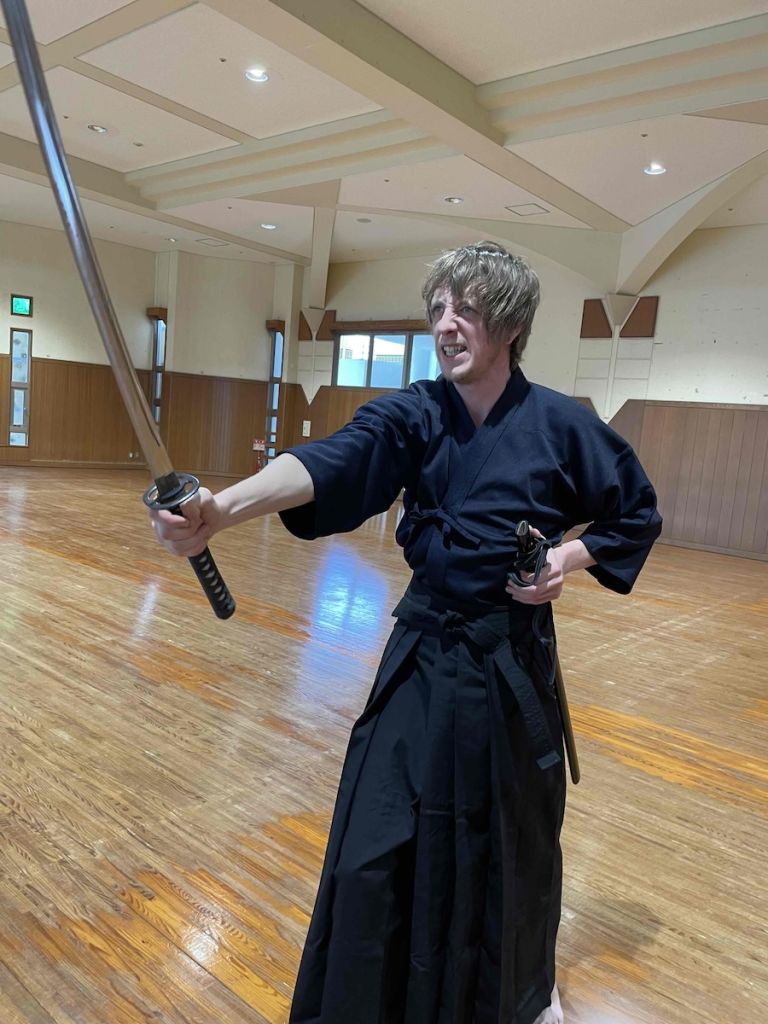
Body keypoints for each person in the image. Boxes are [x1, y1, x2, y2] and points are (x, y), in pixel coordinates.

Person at [149, 242, 662, 1024]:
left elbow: (636, 513)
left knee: (506, 847)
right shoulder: (417, 412)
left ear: (510, 326)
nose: (446, 325)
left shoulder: (564, 426)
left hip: (508, 667)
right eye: (438, 309)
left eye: (467, 310)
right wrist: (223, 508)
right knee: (374, 845)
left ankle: (514, 993)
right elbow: (334, 459)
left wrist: (566, 558)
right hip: (422, 657)